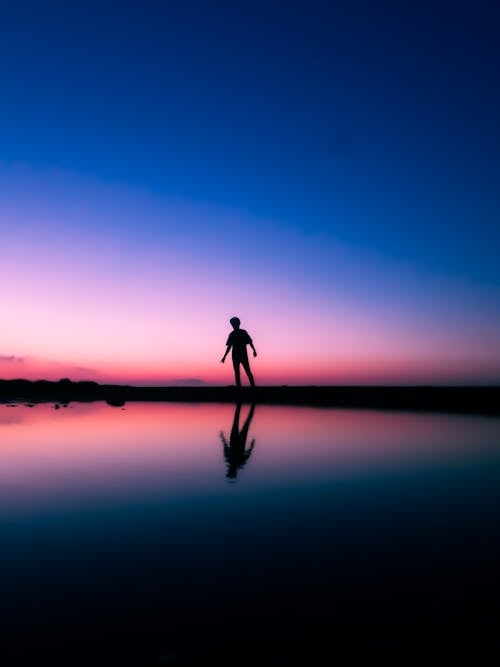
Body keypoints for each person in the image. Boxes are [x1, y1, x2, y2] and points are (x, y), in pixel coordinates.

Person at [220, 316, 257, 387]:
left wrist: (254, 350)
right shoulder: (232, 334)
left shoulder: (242, 332)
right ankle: (239, 387)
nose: (233, 325)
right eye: (232, 324)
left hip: (242, 355)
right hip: (235, 356)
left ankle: (252, 386)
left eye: (234, 324)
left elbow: (250, 342)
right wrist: (224, 356)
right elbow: (229, 346)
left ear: (238, 323)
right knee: (238, 373)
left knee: (247, 371)